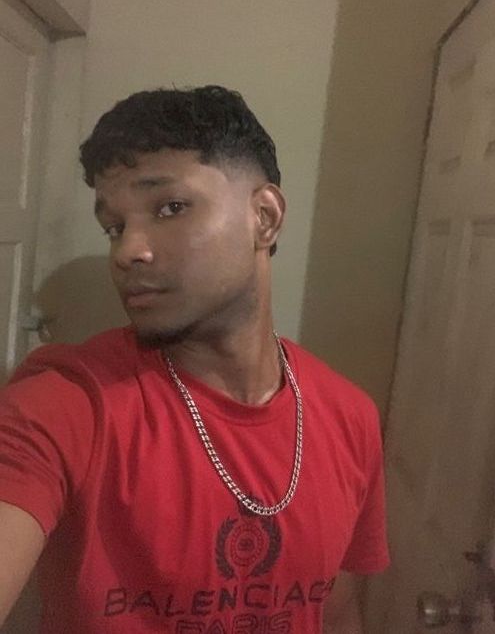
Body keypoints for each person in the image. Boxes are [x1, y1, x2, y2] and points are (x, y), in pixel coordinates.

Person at [0, 85, 389, 633]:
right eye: (115, 227)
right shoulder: (66, 402)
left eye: (170, 208)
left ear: (265, 216)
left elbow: (334, 609)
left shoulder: (350, 417)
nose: (128, 251)